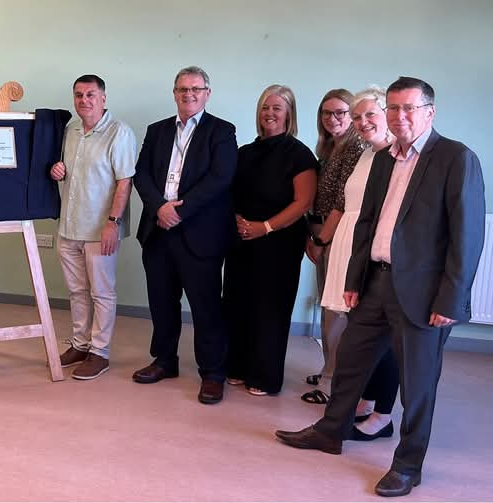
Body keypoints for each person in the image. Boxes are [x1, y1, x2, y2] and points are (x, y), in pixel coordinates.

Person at [275, 77, 486, 497]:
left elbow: (468, 235)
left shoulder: (456, 158)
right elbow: (367, 223)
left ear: (429, 112)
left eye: (409, 108)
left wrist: (452, 298)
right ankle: (330, 432)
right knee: (350, 361)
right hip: (375, 283)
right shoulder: (384, 158)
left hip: (425, 296)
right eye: (393, 108)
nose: (400, 117)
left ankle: (408, 465)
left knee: (418, 384)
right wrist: (354, 280)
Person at [131, 66, 237, 404]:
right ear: (174, 93)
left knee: (206, 308)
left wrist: (179, 209)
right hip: (158, 230)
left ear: (208, 92)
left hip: (199, 234)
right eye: (182, 89)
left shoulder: (221, 131)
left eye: (195, 89)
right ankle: (164, 361)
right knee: (162, 304)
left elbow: (220, 178)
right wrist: (160, 207)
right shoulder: (157, 130)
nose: (188, 94)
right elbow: (141, 174)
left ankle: (212, 373)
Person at [223, 85, 318, 396]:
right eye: (265, 107)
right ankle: (235, 366)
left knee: (270, 308)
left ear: (288, 113)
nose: (270, 114)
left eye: (277, 108)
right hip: (242, 240)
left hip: (278, 243)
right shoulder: (244, 153)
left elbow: (302, 203)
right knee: (237, 303)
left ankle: (264, 376)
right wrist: (239, 221)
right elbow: (229, 192)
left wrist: (264, 227)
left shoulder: (299, 154)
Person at [319, 86, 399, 440]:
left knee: (381, 336)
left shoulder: (400, 157)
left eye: (370, 114)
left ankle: (383, 415)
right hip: (350, 244)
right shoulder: (368, 154)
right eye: (357, 117)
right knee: (361, 331)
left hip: (373, 253)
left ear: (387, 114)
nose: (362, 122)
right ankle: (366, 401)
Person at [49, 74, 135, 380]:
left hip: (100, 229)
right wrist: (58, 170)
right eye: (78, 95)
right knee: (76, 291)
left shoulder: (118, 132)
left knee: (102, 292)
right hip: (69, 226)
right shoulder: (70, 130)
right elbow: (65, 171)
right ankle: (80, 343)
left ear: (103, 98)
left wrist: (113, 223)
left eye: (90, 95)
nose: (84, 100)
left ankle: (100, 352)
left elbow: (125, 181)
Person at [302, 88, 367, 401]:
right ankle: (330, 369)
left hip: (338, 237)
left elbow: (343, 201)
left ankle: (333, 382)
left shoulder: (355, 147)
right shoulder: (329, 148)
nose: (333, 119)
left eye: (341, 112)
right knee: (329, 308)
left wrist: (320, 238)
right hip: (324, 234)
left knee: (335, 312)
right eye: (326, 113)